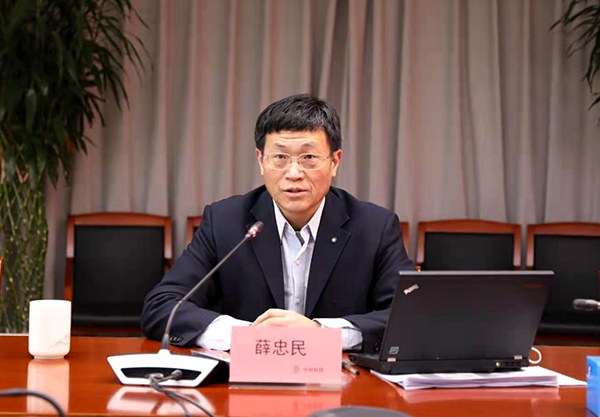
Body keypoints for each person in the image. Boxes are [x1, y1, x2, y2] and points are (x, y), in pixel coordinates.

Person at [141, 94, 415, 353]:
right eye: (280, 157)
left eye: (308, 158)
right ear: (261, 161)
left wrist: (322, 334)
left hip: (342, 379)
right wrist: (248, 336)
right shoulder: (224, 222)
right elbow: (162, 306)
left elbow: (411, 315)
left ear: (334, 162)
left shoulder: (374, 227)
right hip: (248, 377)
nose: (293, 173)